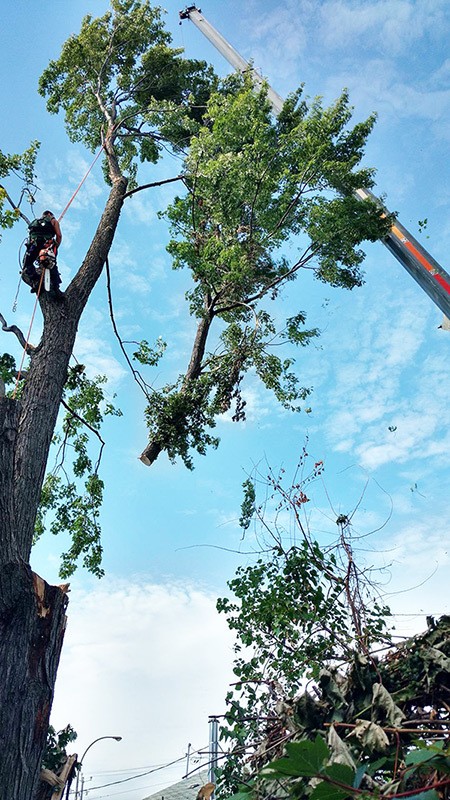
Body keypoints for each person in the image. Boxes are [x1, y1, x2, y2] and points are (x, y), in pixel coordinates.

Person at [22, 210, 63, 295]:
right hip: (47, 245)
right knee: (52, 265)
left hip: (34, 245)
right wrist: (56, 246)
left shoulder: (36, 222)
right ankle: (56, 288)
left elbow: (31, 236)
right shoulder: (53, 221)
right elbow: (59, 235)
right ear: (49, 214)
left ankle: (35, 281)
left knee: (27, 264)